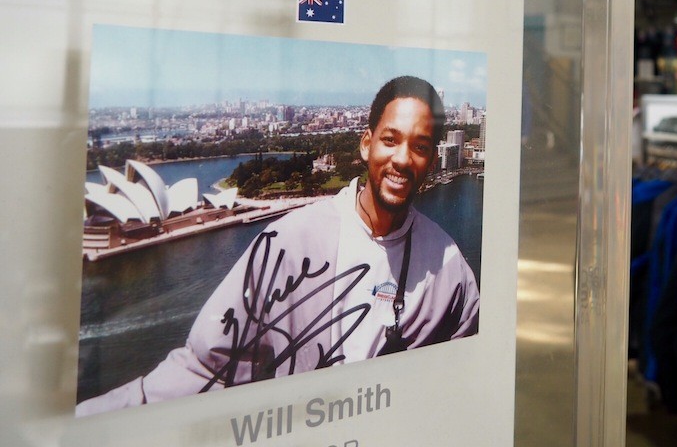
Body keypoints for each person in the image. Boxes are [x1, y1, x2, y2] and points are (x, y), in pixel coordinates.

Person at [77, 76, 480, 415]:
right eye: (390, 140)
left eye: (421, 147)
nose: (403, 159)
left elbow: (458, 390)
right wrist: (82, 422)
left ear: (432, 159)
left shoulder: (450, 272)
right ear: (365, 144)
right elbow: (206, 367)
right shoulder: (289, 241)